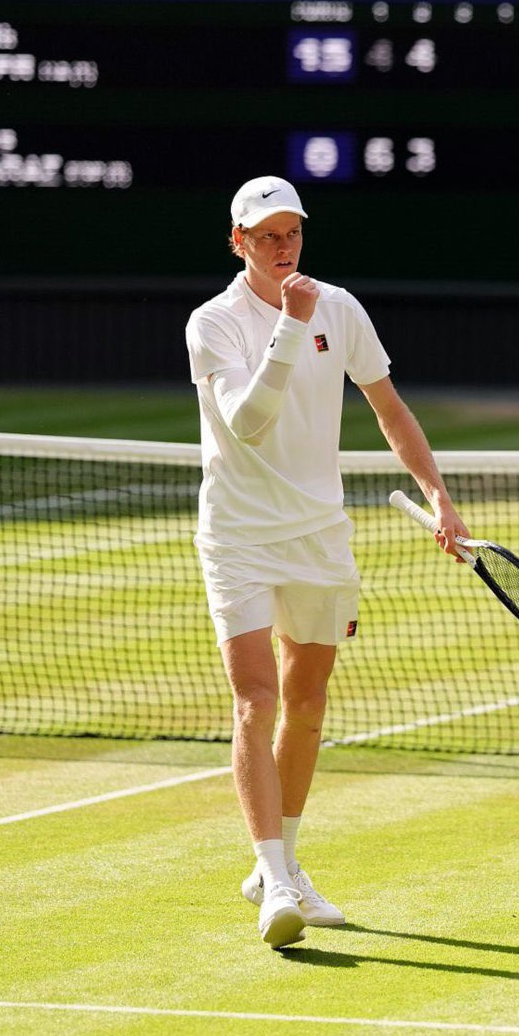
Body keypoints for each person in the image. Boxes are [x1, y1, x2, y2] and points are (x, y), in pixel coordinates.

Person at [185, 175, 469, 950]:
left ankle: (283, 861)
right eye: (267, 236)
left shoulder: (337, 307)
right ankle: (274, 877)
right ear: (237, 242)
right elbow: (247, 423)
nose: (283, 249)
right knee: (257, 698)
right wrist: (288, 327)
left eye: (293, 234)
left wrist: (438, 495)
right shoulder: (212, 324)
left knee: (307, 704)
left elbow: (388, 407)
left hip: (318, 535)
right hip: (239, 535)